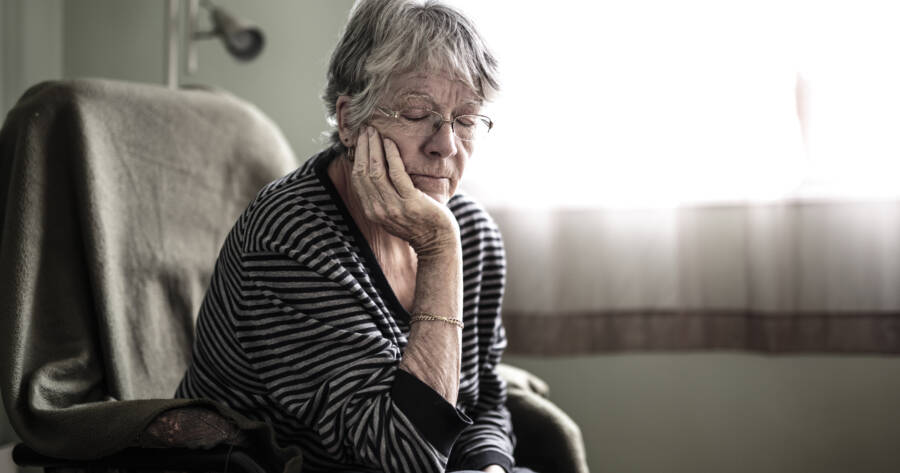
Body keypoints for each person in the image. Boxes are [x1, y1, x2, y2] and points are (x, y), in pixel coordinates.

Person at [176, 1, 533, 472]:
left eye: (466, 120)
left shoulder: (471, 230)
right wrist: (439, 252)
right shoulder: (290, 237)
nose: (446, 145)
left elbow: (483, 398)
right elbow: (405, 457)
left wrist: (489, 467)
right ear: (349, 121)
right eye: (416, 113)